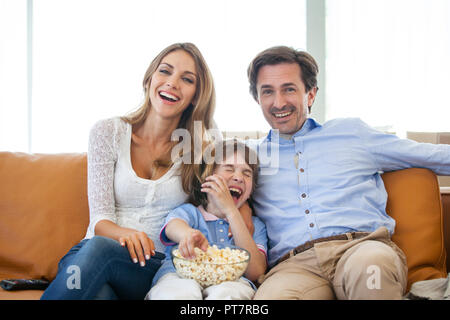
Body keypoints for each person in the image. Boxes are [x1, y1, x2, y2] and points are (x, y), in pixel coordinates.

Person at [245, 45, 450, 300]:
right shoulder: (247, 159)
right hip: (293, 268)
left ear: (310, 94)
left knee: (371, 271)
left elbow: (430, 156)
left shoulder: (351, 134)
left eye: (289, 89)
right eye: (268, 92)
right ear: (258, 99)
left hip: (361, 249)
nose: (279, 102)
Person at [41, 42, 225, 299]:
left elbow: (224, 200)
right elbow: (100, 220)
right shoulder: (108, 132)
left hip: (151, 266)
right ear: (149, 78)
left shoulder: (198, 150)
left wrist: (205, 123)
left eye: (186, 79)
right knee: (100, 291)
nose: (172, 83)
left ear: (196, 94)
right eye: (165, 71)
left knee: (100, 252)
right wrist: (125, 234)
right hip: (90, 257)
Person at [147, 139, 268, 300]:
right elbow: (173, 226)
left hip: (232, 281)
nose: (238, 177)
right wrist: (187, 235)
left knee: (229, 293)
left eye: (247, 173)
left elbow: (256, 272)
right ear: (208, 176)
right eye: (229, 169)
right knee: (179, 292)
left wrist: (231, 212)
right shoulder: (189, 213)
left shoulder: (256, 225)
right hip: (180, 275)